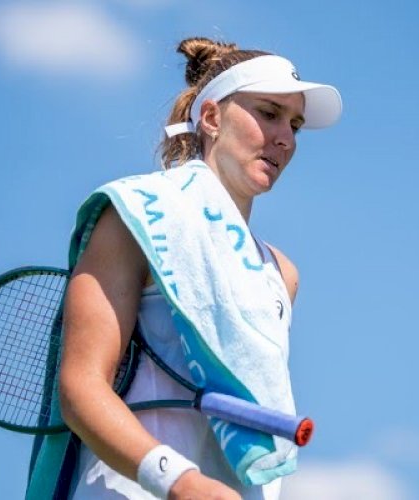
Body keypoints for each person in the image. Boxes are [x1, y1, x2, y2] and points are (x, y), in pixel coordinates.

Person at [55, 36, 342, 500]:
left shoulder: (281, 273)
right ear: (211, 118)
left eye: (295, 125)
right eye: (269, 113)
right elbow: (80, 386)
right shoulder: (135, 213)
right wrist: (180, 482)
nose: (286, 138)